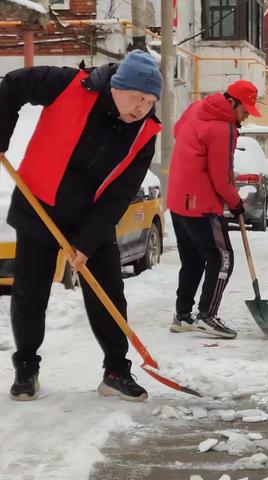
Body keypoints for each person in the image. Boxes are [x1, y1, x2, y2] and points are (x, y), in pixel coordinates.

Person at [0, 50, 163, 401]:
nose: (142, 108)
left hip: (93, 216)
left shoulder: (145, 133)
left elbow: (120, 193)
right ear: (117, 87)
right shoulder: (66, 84)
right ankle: (26, 367)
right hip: (40, 203)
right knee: (30, 293)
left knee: (108, 294)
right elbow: (12, 85)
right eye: (137, 98)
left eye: (149, 101)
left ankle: (116, 371)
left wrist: (87, 242)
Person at [167, 80, 261, 339]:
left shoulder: (197, 108)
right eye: (245, 111)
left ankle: (183, 315)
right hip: (202, 206)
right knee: (222, 258)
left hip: (177, 200)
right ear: (232, 102)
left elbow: (177, 132)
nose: (245, 117)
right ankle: (207, 316)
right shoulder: (224, 128)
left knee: (193, 259)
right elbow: (221, 178)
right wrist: (236, 203)